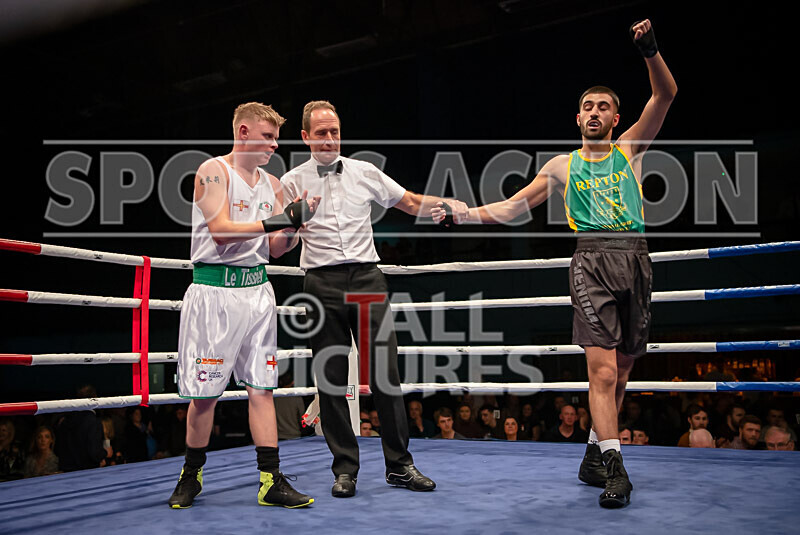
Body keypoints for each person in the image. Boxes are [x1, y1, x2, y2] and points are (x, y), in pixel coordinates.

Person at [433, 19, 676, 508]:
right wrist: (463, 214)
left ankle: (592, 453)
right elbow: (511, 207)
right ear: (577, 117)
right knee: (602, 373)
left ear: (614, 117)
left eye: (602, 106)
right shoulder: (561, 166)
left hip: (636, 258)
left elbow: (665, 95)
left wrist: (650, 51)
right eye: (586, 106)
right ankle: (615, 471)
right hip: (591, 262)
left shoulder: (630, 148)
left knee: (623, 369)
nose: (593, 112)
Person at [281, 100, 467, 498]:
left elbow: (411, 202)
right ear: (305, 137)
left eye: (334, 131)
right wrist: (293, 219)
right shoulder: (292, 181)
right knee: (330, 380)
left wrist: (446, 205)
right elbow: (280, 246)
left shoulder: (364, 172)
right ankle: (344, 469)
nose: (329, 138)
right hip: (320, 281)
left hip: (366, 277)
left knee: (385, 374)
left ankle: (399, 465)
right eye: (321, 132)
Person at [167, 102, 319, 509]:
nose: (273, 145)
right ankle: (190, 475)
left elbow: (273, 247)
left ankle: (271, 481)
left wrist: (295, 227)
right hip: (215, 293)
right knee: (206, 396)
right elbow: (220, 233)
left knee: (263, 389)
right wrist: (280, 219)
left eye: (276, 138)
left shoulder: (271, 184)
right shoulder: (212, 171)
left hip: (258, 291)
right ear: (244, 132)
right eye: (267, 137)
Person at [54, 385, 107, 472]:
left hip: (66, 471)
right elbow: (94, 452)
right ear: (95, 398)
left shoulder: (65, 421)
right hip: (86, 472)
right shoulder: (93, 422)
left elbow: (58, 449)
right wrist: (104, 454)